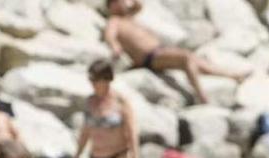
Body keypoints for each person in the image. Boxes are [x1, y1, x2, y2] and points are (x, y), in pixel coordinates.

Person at [104, 0, 248, 104]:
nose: (123, 2)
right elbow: (110, 36)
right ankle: (201, 96)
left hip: (159, 52)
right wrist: (115, 46)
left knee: (194, 59)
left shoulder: (128, 18)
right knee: (186, 57)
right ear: (111, 6)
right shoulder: (114, 21)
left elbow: (139, 5)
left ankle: (232, 75)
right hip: (150, 56)